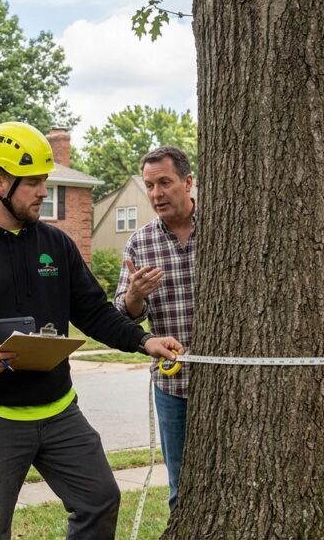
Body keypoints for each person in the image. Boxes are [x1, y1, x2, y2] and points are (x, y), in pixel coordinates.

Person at [0, 121, 184, 540]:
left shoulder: (56, 245)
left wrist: (143, 339)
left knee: (99, 500)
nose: (44, 191)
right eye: (33, 183)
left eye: (45, 181)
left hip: (59, 410)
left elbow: (93, 311)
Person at [114, 145, 196, 514]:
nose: (156, 193)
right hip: (173, 385)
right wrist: (134, 295)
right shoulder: (139, 242)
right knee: (180, 482)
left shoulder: (226, 231)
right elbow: (124, 315)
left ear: (188, 182)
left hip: (229, 384)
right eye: (149, 185)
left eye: (165, 182)